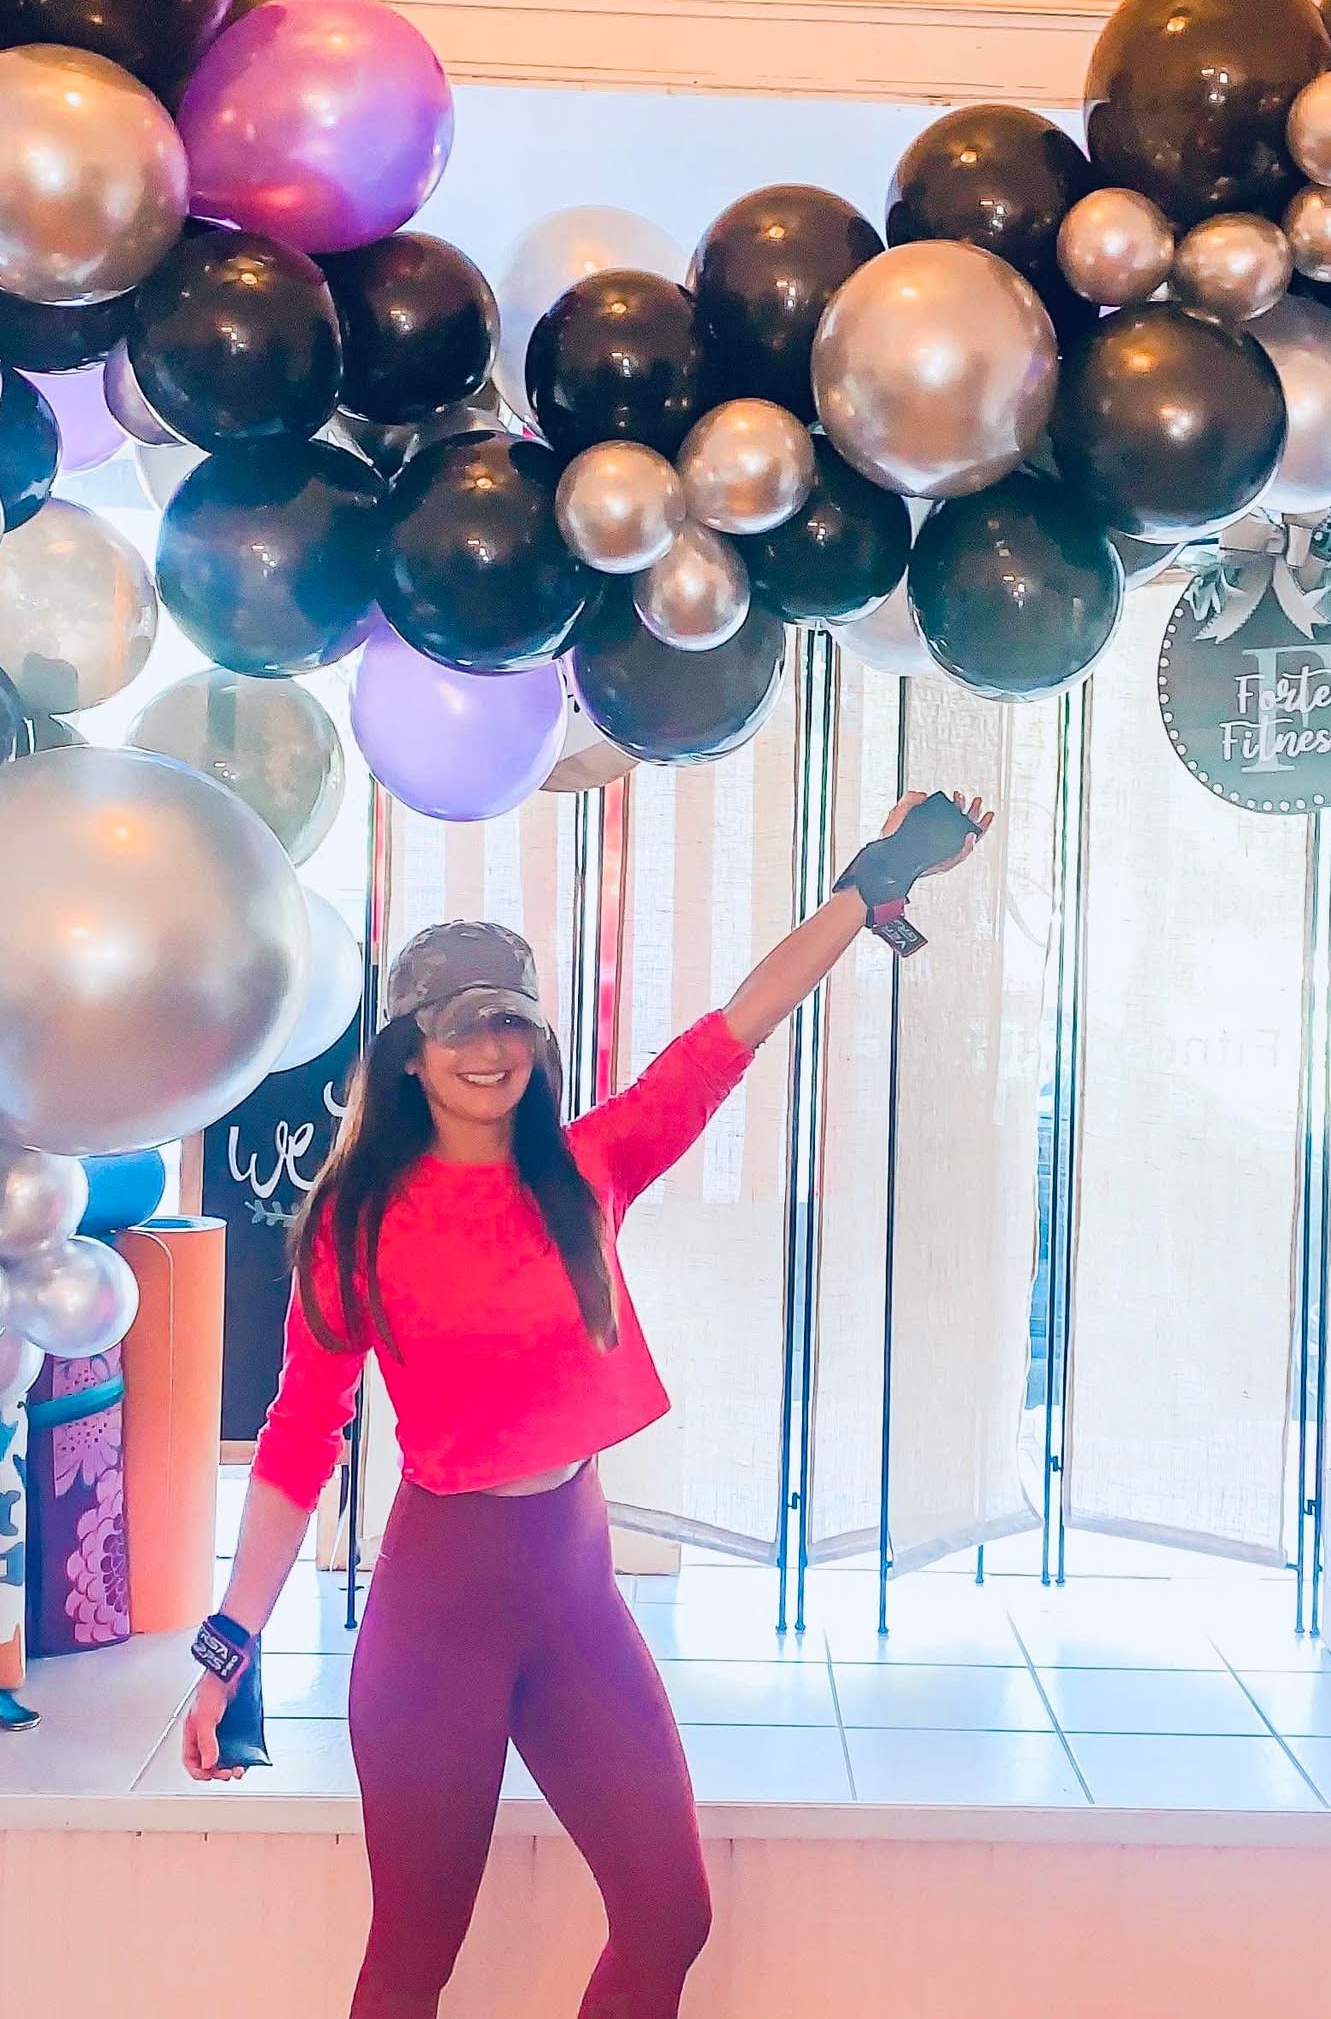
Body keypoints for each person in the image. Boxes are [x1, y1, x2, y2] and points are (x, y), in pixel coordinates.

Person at [182, 789, 992, 2017]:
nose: (489, 1048)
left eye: (510, 1021)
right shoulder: (353, 1224)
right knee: (413, 1951)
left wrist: (867, 884)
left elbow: (734, 1027)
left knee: (669, 1913)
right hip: (437, 1614)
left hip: (573, 1593)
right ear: (407, 1052)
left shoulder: (588, 1166)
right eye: (458, 1027)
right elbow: (299, 1441)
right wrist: (227, 1646)